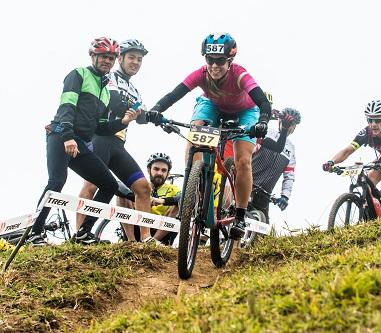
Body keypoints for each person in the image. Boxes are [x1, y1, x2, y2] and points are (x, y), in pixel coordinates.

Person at [146, 33, 272, 239]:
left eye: (220, 61)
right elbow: (174, 94)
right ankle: (192, 191)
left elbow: (263, 102)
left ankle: (239, 215)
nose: (214, 65)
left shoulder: (240, 74)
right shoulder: (201, 74)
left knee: (243, 161)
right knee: (195, 132)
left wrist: (263, 122)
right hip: (212, 105)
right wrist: (155, 110)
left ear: (230, 61)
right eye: (210, 60)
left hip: (245, 112)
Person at [27, 37, 138, 246]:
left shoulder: (105, 90)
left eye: (111, 58)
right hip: (61, 134)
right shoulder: (79, 74)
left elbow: (102, 127)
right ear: (93, 56)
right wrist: (68, 137)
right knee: (57, 181)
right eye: (103, 56)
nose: (107, 61)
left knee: (109, 184)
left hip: (80, 142)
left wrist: (123, 122)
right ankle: (35, 233)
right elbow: (66, 106)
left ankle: (84, 232)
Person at [76, 39, 152, 242]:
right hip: (100, 136)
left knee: (143, 188)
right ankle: (80, 233)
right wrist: (138, 111)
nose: (136, 62)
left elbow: (142, 118)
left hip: (118, 144)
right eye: (131, 57)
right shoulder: (108, 76)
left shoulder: (135, 90)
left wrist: (155, 116)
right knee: (91, 184)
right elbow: (116, 102)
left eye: (139, 59)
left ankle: (145, 238)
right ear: (120, 58)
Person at [322, 100, 381, 215]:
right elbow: (347, 150)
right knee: (368, 182)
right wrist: (331, 162)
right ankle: (375, 215)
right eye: (370, 120)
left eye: (377, 120)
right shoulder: (366, 132)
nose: (373, 124)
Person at [251, 107, 301, 221]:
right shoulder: (267, 133)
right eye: (286, 122)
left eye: (292, 124)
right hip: (248, 184)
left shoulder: (291, 149)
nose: (289, 126)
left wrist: (285, 196)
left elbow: (289, 176)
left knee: (262, 233)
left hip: (265, 194)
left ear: (294, 128)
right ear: (279, 121)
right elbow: (250, 151)